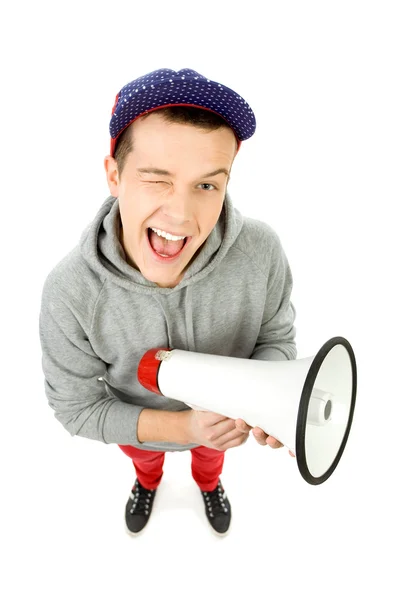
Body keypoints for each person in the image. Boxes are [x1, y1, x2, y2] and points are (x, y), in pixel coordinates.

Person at [39, 67, 297, 537]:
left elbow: (275, 338)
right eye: (157, 180)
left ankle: (209, 484)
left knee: (210, 462)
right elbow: (77, 409)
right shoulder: (69, 290)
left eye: (206, 185)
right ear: (114, 176)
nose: (181, 215)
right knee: (145, 460)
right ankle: (147, 481)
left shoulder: (262, 251)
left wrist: (265, 400)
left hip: (222, 426)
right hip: (136, 423)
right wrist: (181, 430)